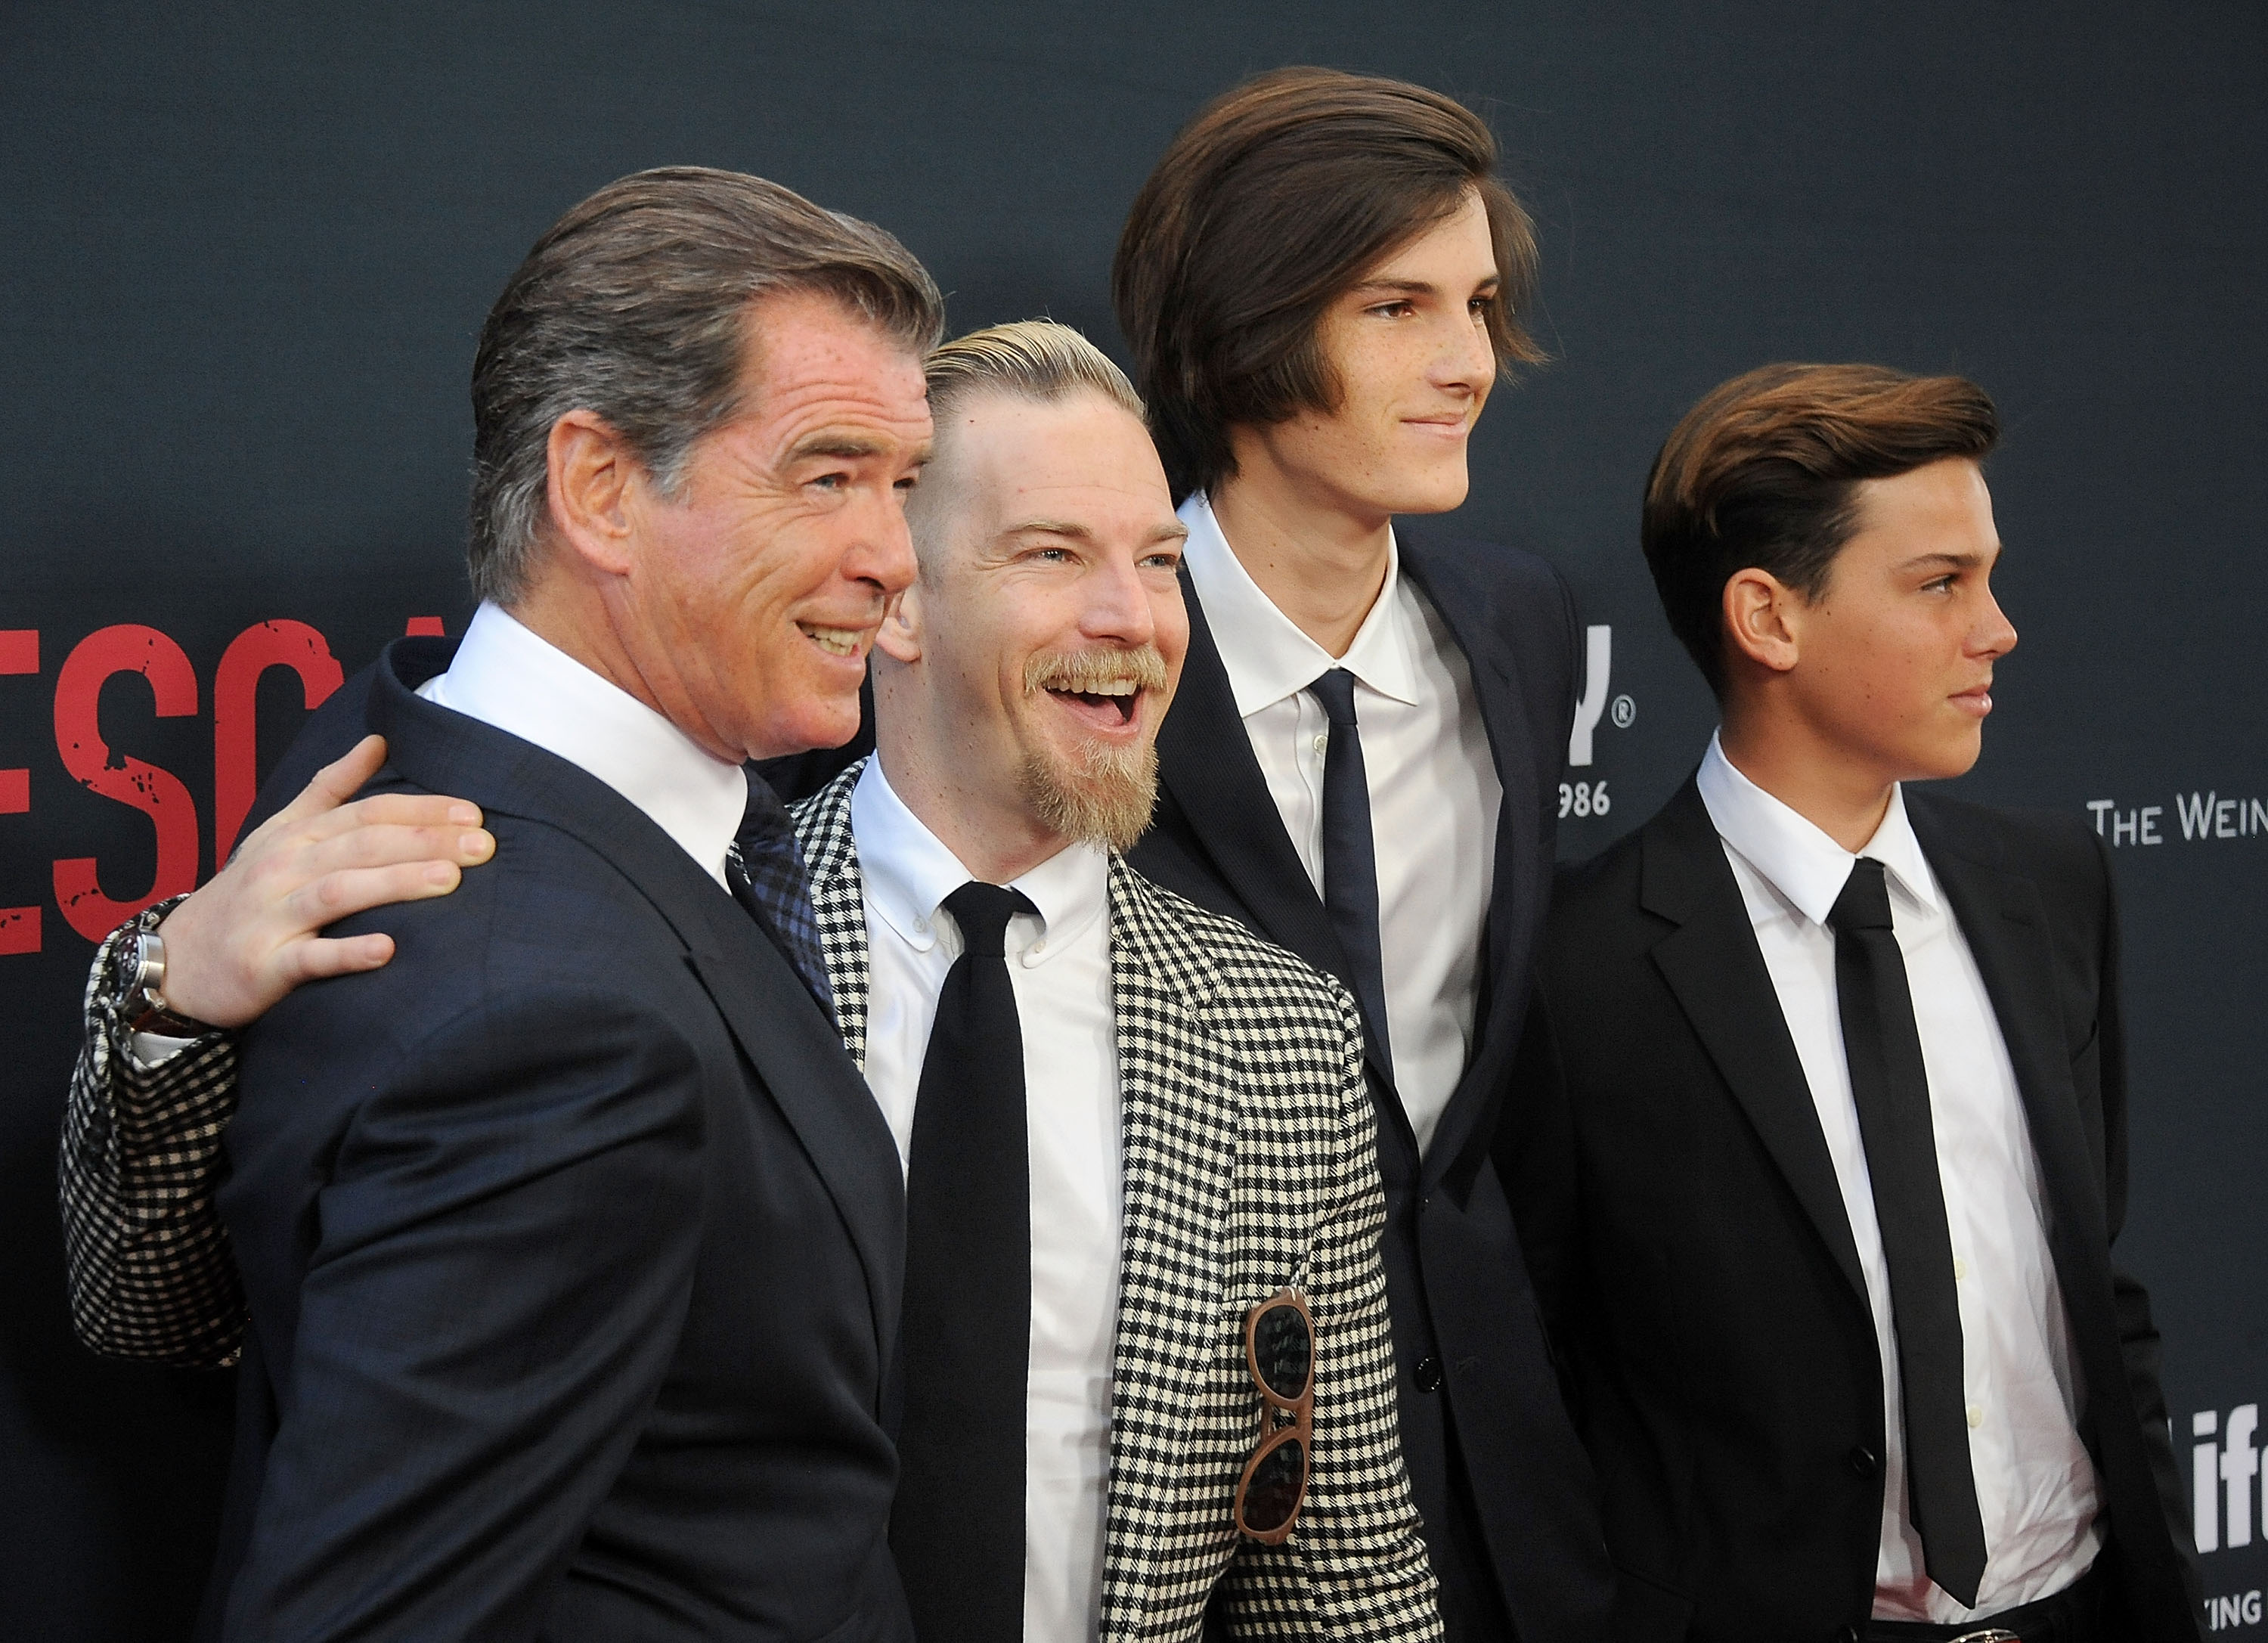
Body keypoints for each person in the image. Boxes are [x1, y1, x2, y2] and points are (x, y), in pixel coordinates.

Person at [64, 319, 1442, 1641]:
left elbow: (1342, 1563)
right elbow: (167, 1309)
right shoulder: (678, 925)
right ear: (898, 597)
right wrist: (168, 985)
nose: (1133, 617)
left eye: (1157, 559)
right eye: (1053, 552)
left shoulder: (1283, 1033)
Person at [80, 165, 947, 1641]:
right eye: (828, 475)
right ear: (600, 487)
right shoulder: (549, 1020)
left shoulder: (383, 766)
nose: (893, 559)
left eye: (903, 484)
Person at [1495, 364, 2202, 1641]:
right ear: (1769, 618)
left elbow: (2092, 1290)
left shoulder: (2048, 888)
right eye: (1941, 584)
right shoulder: (1574, 971)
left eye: (1987, 576)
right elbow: (1532, 1397)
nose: (1998, 629)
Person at [1112, 68, 1610, 1641]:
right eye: (1398, 306)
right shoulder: (1086, 655)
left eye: (1476, 304)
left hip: (1499, 1474)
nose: (1468, 361)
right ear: (1235, 332)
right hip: (1185, 1499)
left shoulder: (1514, 622)